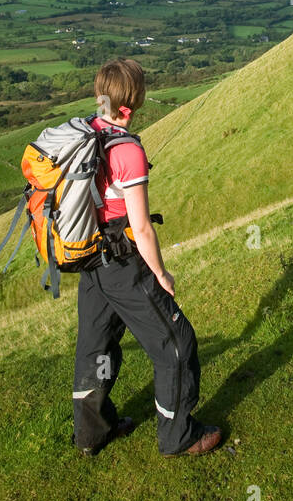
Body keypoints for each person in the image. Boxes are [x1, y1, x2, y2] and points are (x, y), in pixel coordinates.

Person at [71, 58, 222, 458]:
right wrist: (161, 274)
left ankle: (91, 434)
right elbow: (141, 228)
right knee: (176, 344)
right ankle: (178, 436)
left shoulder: (85, 132)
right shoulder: (127, 151)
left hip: (90, 261)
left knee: (95, 346)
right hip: (124, 265)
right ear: (130, 104)